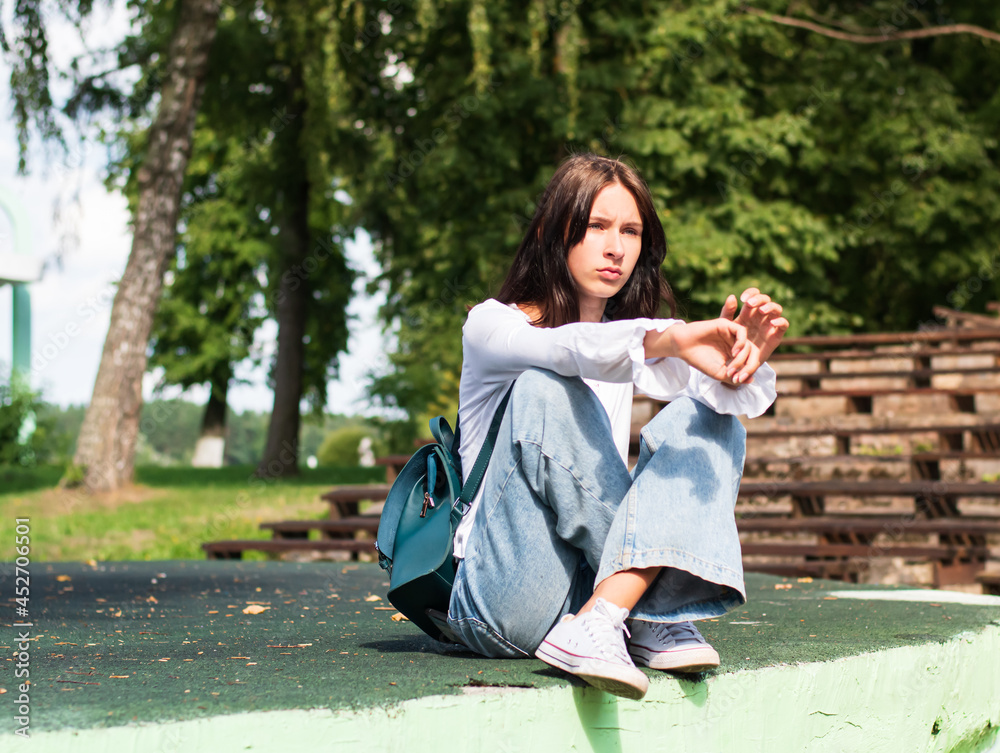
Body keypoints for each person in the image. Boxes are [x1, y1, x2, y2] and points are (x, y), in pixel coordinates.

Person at [445, 153, 788, 700]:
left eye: (631, 231)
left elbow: (734, 399)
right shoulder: (493, 325)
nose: (617, 247)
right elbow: (569, 351)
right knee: (545, 385)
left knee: (712, 414)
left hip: (592, 593)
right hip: (503, 596)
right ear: (553, 233)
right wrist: (669, 338)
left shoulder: (626, 341)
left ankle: (610, 614)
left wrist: (738, 365)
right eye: (597, 226)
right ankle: (651, 609)